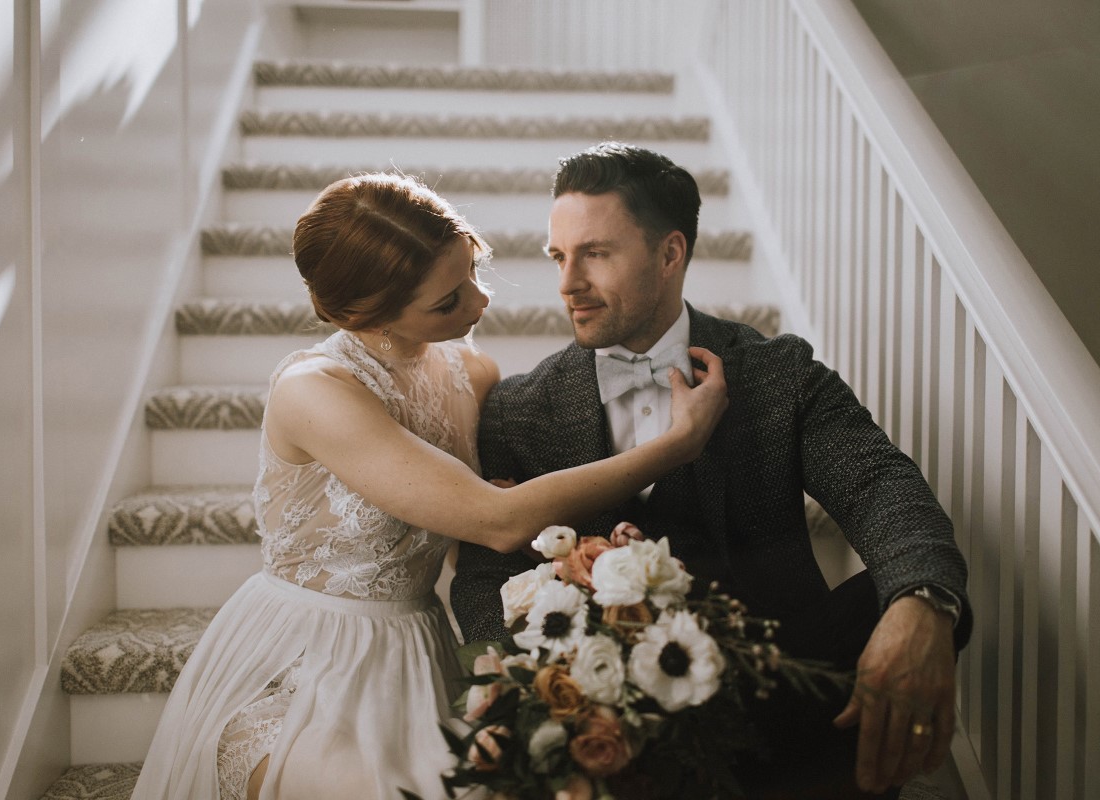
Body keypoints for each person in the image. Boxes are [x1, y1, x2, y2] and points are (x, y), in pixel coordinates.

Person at [129, 173, 728, 800]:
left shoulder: (471, 370)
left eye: (473, 270)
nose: (478, 304)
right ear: (369, 315)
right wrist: (677, 445)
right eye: (447, 302)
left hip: (417, 649)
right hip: (305, 663)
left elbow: (471, 537)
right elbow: (496, 519)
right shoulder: (314, 390)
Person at [450, 142, 973, 799]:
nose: (567, 283)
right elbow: (483, 575)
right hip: (616, 722)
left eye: (596, 253)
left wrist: (924, 604)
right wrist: (530, 686)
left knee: (908, 595)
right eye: (560, 256)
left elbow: (878, 484)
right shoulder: (521, 410)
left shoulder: (778, 372)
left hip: (777, 694)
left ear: (670, 254)